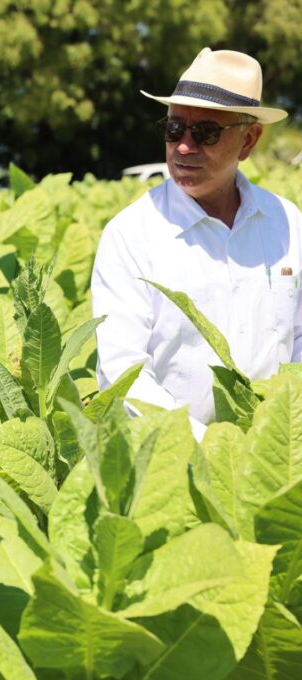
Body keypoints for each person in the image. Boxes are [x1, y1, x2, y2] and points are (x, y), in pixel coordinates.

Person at [92, 48, 300, 439]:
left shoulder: (287, 222)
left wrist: (279, 438)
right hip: (172, 459)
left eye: (205, 132)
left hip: (276, 452)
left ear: (248, 140)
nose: (184, 146)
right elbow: (124, 374)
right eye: (174, 129)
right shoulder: (130, 235)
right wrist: (211, 449)